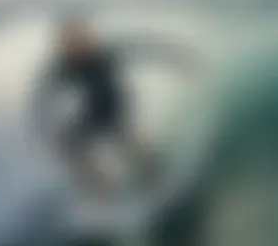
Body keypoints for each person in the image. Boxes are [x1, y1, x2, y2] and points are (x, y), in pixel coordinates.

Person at [32, 16, 197, 197]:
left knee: (128, 144)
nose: (76, 46)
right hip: (94, 112)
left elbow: (144, 48)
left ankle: (157, 177)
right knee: (69, 145)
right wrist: (48, 132)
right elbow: (44, 99)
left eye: (79, 39)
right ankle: (102, 186)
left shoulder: (107, 52)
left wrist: (178, 56)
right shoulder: (65, 66)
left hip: (116, 106)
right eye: (70, 43)